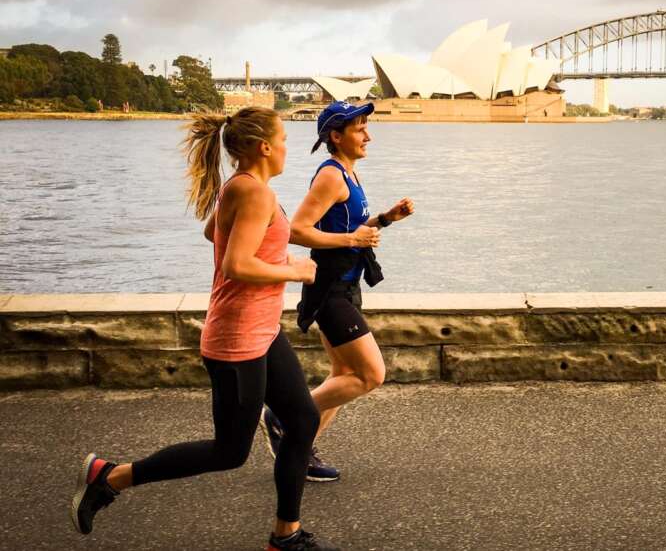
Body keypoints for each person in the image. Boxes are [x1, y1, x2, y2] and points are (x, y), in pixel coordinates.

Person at [70, 106, 339, 551]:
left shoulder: (241, 187)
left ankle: (285, 535)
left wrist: (268, 256)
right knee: (229, 452)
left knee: (303, 419)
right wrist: (294, 270)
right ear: (265, 147)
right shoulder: (255, 194)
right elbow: (235, 263)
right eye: (285, 140)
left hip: (262, 332)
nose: (289, 148)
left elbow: (214, 232)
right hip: (237, 343)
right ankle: (110, 477)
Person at [258, 101, 414, 481]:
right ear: (336, 135)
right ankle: (282, 418)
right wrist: (352, 237)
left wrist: (385, 219)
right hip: (329, 290)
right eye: (360, 128)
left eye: (366, 127)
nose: (368, 135)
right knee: (369, 375)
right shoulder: (331, 176)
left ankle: (300, 450)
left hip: (347, 286)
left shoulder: (350, 174)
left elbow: (355, 229)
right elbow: (296, 229)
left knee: (343, 374)